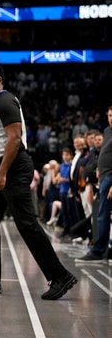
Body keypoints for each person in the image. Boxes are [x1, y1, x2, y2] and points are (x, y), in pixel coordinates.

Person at [0, 63, 77, 300]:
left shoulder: (5, 101)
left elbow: (14, 140)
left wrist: (2, 173)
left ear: (0, 80)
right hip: (2, 167)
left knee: (26, 224)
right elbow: (0, 144)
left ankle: (60, 276)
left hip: (14, 167)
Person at [76, 105, 112, 263]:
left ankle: (98, 251)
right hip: (104, 176)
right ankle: (101, 250)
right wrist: (98, 167)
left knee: (103, 215)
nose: (111, 118)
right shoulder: (107, 131)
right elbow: (105, 152)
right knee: (102, 215)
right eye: (110, 115)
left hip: (111, 178)